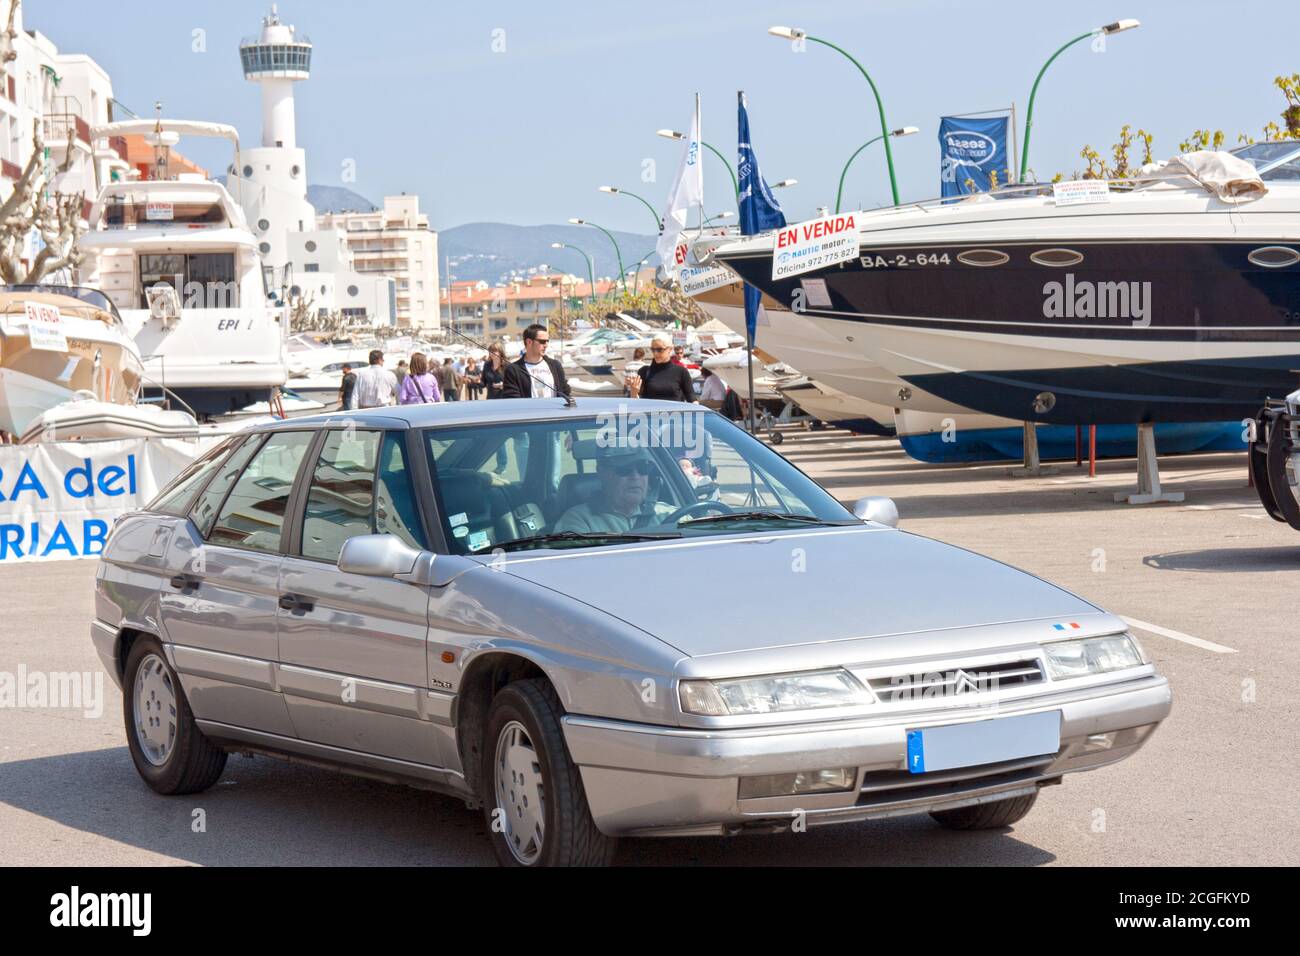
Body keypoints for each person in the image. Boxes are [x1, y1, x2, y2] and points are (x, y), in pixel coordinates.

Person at [554, 447, 675, 533]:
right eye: (625, 469)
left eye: (643, 468)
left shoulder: (670, 515)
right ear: (602, 473)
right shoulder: (579, 520)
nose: (635, 476)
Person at [502, 323, 571, 399]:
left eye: (547, 341)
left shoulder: (555, 366)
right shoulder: (513, 370)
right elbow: (512, 399)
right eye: (542, 341)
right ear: (529, 342)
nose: (546, 345)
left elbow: (565, 392)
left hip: (554, 411)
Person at [628, 333, 695, 403]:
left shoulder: (681, 372)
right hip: (651, 413)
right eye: (653, 349)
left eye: (660, 350)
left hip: (675, 413)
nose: (655, 353)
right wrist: (634, 392)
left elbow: (692, 399)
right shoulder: (644, 371)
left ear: (670, 349)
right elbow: (636, 404)